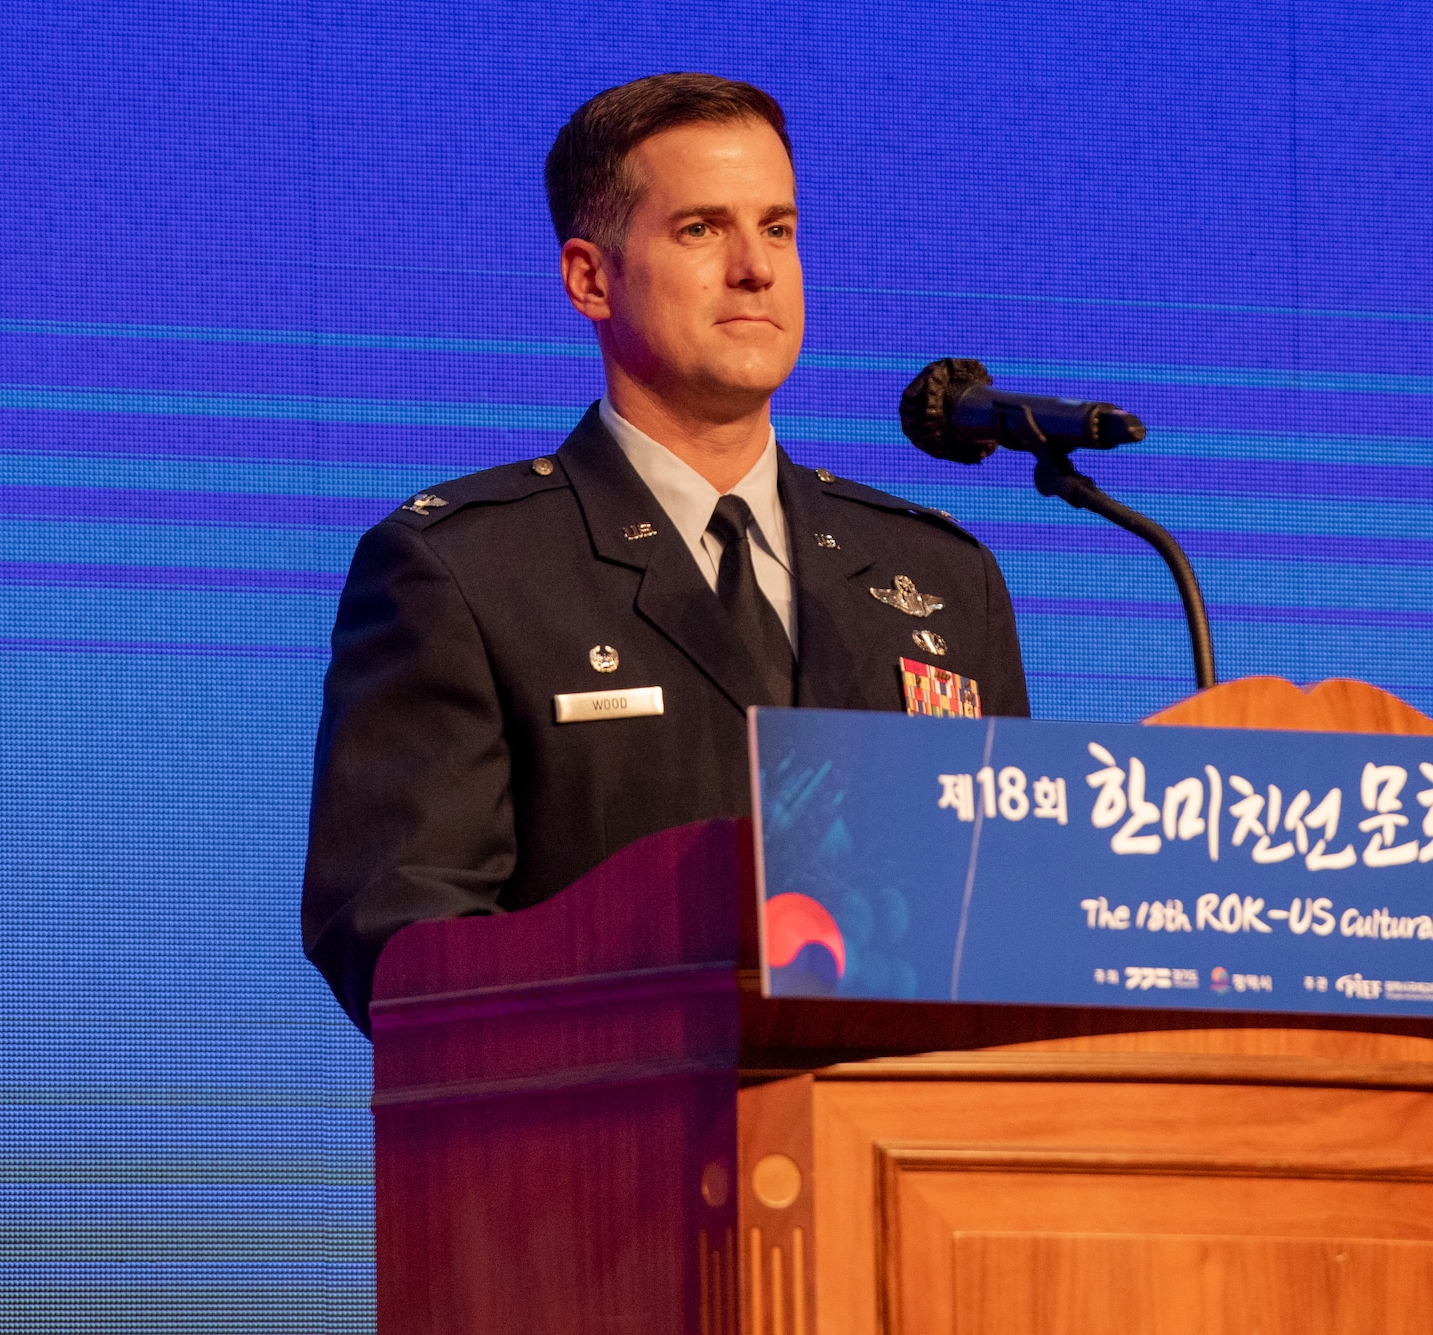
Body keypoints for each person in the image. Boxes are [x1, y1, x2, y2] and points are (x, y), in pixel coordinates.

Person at [302, 73, 1030, 1033]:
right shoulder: (466, 572)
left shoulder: (939, 579)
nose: (756, 269)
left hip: (903, 1158)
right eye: (701, 230)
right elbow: (401, 935)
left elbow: (1010, 920)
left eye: (777, 228)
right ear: (589, 278)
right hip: (616, 1154)